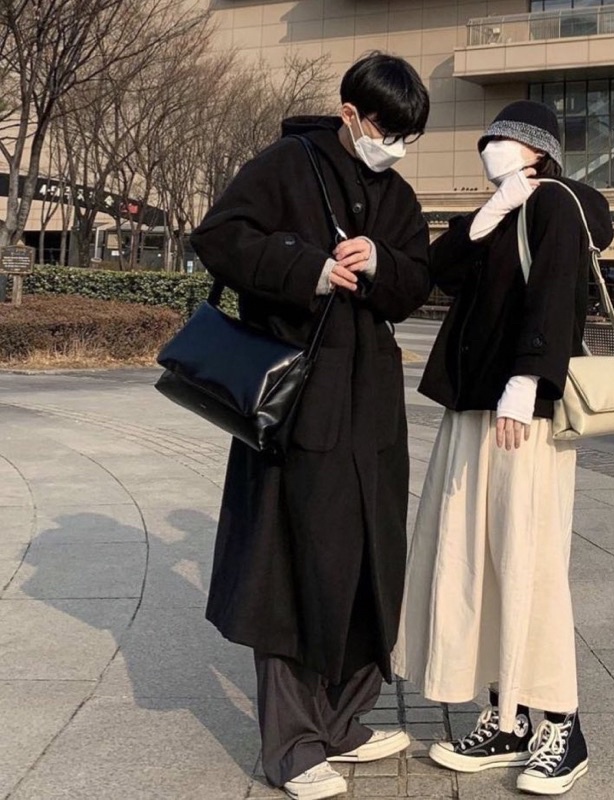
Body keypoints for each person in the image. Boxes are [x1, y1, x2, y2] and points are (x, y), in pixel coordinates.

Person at [189, 53, 430, 800]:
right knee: (292, 566)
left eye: (409, 137)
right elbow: (219, 236)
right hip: (297, 400)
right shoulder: (287, 162)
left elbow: (417, 282)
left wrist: (382, 263)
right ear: (351, 114)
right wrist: (310, 268)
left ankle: (343, 721)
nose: (395, 147)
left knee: (369, 562)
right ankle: (292, 745)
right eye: (388, 130)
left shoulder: (398, 193)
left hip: (372, 407)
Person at [392, 101, 613, 796]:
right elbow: (438, 272)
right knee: (477, 557)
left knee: (526, 558)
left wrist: (526, 383)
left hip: (521, 409)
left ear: (538, 151)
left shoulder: (557, 204)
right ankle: (508, 714)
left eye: (505, 139)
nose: (490, 146)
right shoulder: (504, 207)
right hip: (472, 406)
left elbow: (556, 295)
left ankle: (563, 725)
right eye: (487, 138)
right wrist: (487, 215)